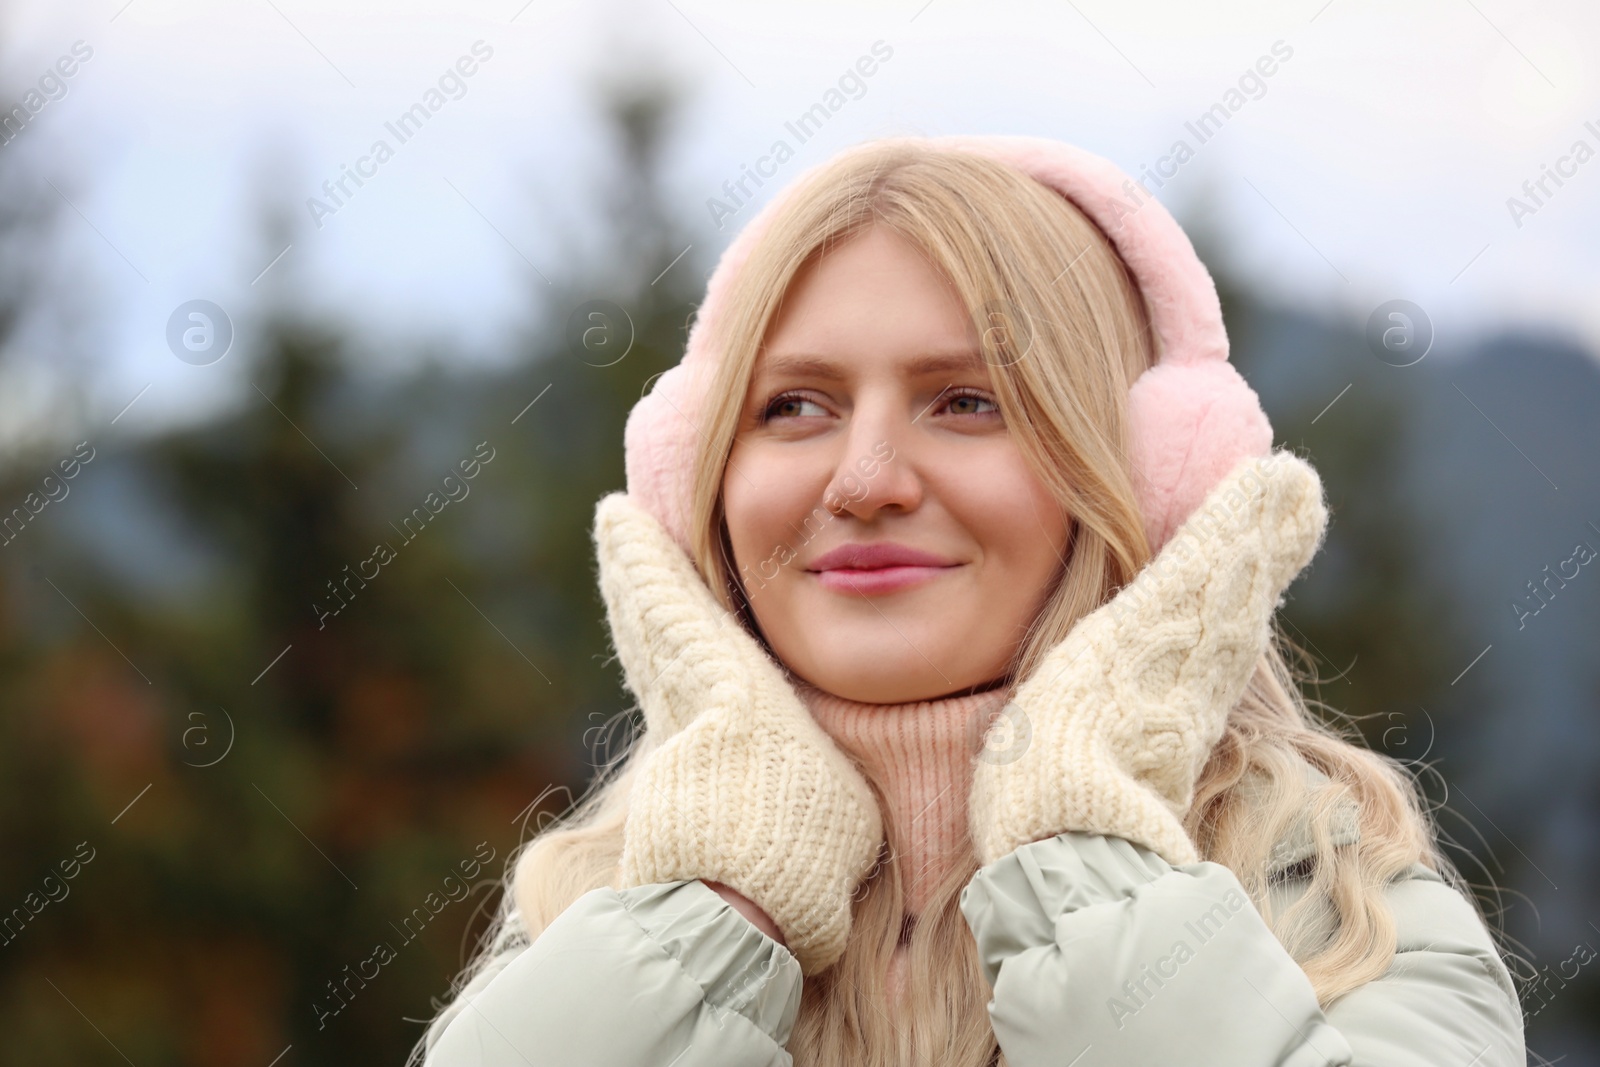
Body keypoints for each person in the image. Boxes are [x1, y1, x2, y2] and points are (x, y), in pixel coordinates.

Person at [410, 135, 1526, 1066]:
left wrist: (1083, 845)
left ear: (1142, 478)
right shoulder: (596, 908)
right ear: (697, 476)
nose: (864, 478)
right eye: (796, 404)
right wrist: (718, 906)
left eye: (966, 401)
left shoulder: (1343, 905)